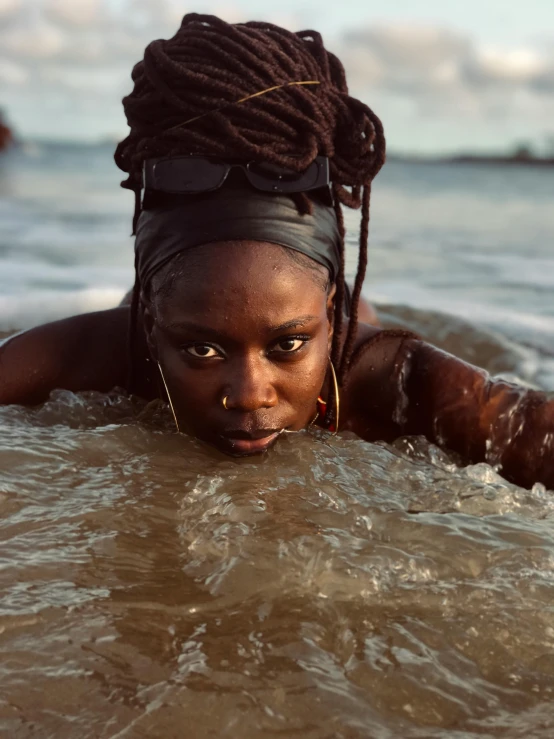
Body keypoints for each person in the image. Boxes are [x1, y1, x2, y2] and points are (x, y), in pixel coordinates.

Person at [0, 14, 552, 490]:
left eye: (287, 344)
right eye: (202, 352)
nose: (249, 396)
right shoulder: (102, 349)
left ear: (331, 312)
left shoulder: (393, 378)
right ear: (149, 320)